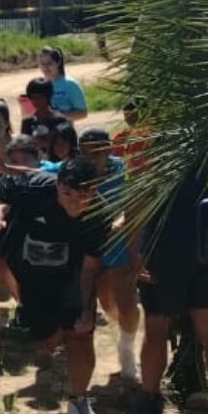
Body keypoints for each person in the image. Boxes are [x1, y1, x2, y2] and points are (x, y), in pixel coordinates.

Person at [0, 156, 107, 414]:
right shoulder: (32, 188)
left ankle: (79, 400)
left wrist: (86, 310)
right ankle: (48, 340)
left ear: (95, 191)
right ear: (56, 185)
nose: (74, 202)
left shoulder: (98, 215)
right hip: (22, 269)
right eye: (67, 193)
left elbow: (89, 269)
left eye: (83, 195)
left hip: (69, 273)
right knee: (46, 337)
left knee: (82, 332)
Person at [124, 163, 208, 414]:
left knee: (156, 326)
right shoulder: (203, 156)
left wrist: (133, 252)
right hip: (206, 245)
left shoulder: (161, 153)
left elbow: (137, 205)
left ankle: (149, 405)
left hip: (164, 248)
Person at [76, 127, 139, 380]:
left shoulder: (124, 170)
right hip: (88, 244)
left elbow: (133, 202)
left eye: (97, 152)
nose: (91, 158)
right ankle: (123, 326)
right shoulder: (75, 172)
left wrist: (121, 220)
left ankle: (126, 351)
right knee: (106, 302)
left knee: (125, 303)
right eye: (85, 153)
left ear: (108, 150)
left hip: (116, 241)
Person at [37, 47, 87, 121]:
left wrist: (59, 115)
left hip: (65, 130)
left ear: (58, 63)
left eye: (49, 63)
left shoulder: (70, 84)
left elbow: (83, 113)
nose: (45, 67)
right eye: (42, 63)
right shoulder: (38, 85)